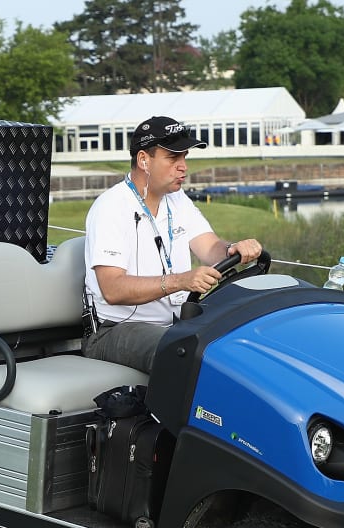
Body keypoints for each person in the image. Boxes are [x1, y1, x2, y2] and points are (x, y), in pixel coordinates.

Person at [82, 116, 262, 372]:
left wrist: (234, 249)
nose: (183, 167)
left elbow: (210, 248)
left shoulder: (177, 199)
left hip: (175, 324)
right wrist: (181, 281)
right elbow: (112, 289)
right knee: (189, 355)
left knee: (241, 343)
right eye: (173, 158)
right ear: (144, 160)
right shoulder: (110, 207)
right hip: (112, 331)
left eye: (185, 157)